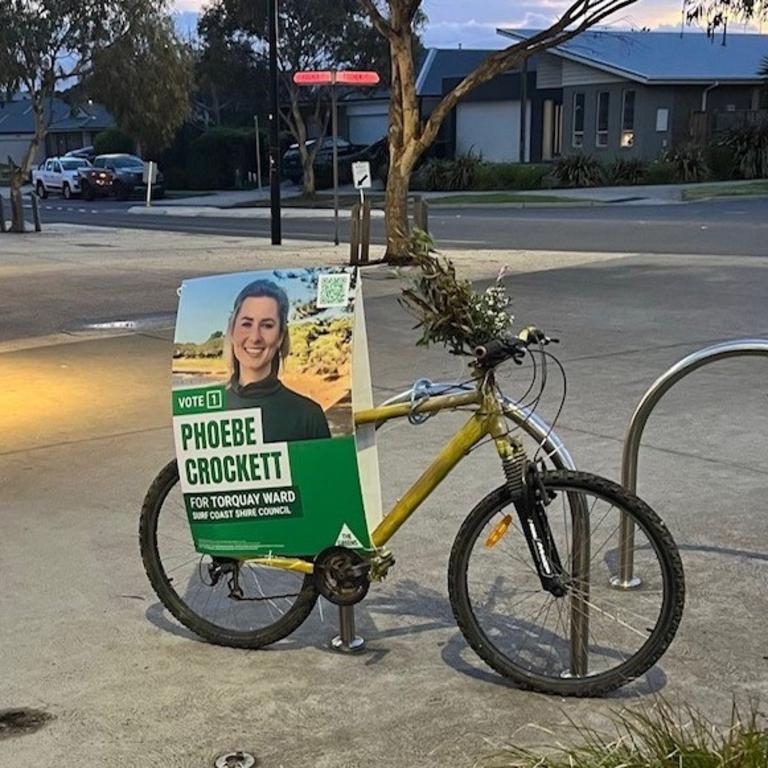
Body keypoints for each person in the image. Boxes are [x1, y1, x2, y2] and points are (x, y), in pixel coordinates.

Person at [223, 278, 331, 442]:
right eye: (246, 324)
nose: (255, 337)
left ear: (280, 336)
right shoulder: (204, 412)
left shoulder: (309, 416)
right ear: (232, 331)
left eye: (267, 325)